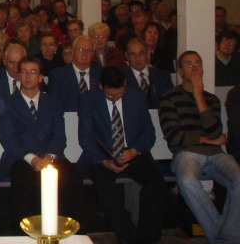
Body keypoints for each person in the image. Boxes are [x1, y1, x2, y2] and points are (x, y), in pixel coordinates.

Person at [159, 51, 240, 244]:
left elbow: (215, 130)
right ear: (180, 71)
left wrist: (198, 97)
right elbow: (174, 136)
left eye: (198, 64)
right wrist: (209, 141)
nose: (194, 68)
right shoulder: (169, 98)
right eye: (188, 64)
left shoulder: (211, 99)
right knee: (187, 181)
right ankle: (224, 239)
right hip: (186, 153)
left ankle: (227, 236)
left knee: (238, 179)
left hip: (216, 154)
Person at [79, 67, 165, 244]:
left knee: (156, 183)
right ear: (101, 87)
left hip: (133, 152)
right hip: (102, 154)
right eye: (110, 96)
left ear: (125, 84)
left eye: (119, 94)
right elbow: (86, 138)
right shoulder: (89, 99)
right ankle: (129, 238)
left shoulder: (137, 97)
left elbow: (149, 133)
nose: (115, 98)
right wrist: (104, 161)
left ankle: (147, 238)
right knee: (105, 189)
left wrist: (134, 151)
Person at [0, 56, 84, 232]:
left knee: (73, 179)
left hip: (51, 157)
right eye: (24, 72)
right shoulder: (7, 103)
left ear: (40, 77)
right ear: (19, 76)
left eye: (33, 72)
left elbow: (60, 137)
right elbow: (9, 140)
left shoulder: (53, 102)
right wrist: (33, 159)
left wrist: (50, 158)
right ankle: (20, 234)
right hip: (20, 158)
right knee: (23, 181)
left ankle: (73, 232)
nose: (28, 76)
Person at [47, 35, 102, 111]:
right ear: (72, 52)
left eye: (89, 50)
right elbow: (53, 105)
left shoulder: (101, 74)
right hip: (68, 119)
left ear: (93, 54)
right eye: (81, 49)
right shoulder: (58, 75)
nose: (85, 53)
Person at [124, 38, 173, 109]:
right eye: (133, 54)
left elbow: (171, 102)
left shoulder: (163, 77)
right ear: (126, 56)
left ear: (147, 53)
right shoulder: (121, 78)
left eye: (141, 53)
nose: (138, 58)